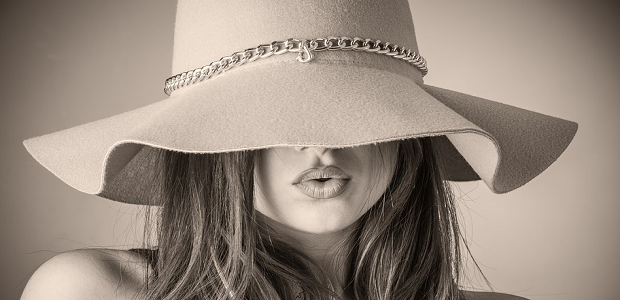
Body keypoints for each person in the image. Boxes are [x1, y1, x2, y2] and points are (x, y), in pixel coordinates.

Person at [19, 0, 577, 299]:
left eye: (353, 110)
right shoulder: (91, 293)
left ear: (409, 135)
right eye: (272, 115)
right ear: (207, 147)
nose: (318, 142)